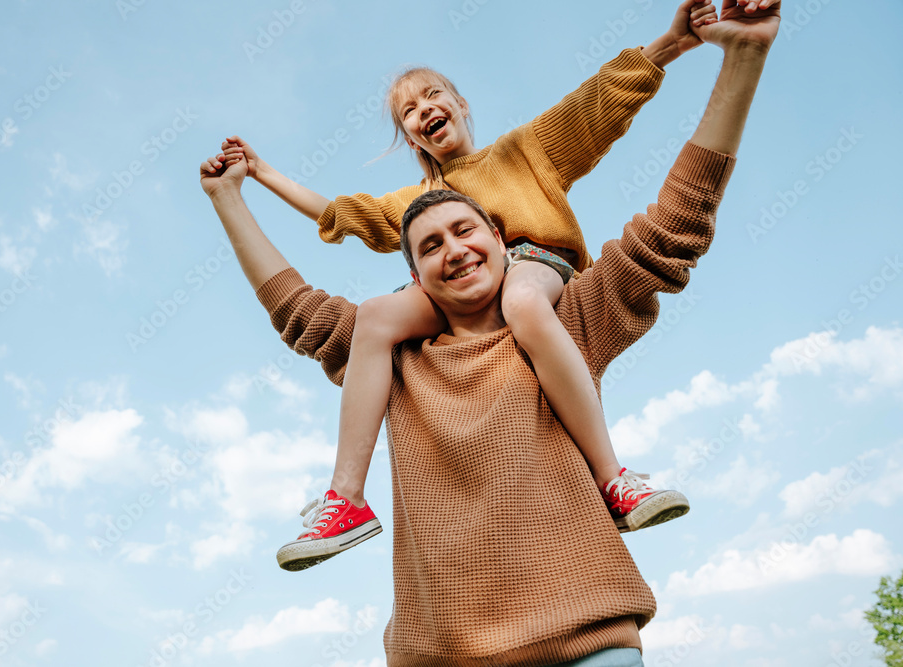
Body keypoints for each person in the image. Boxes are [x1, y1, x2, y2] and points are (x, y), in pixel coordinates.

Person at [200, 1, 780, 662]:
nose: (452, 246)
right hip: (444, 651)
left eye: (432, 95)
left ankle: (613, 476)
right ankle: (346, 497)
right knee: (375, 317)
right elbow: (334, 228)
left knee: (527, 307)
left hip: (588, 631)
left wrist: (689, 47)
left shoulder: (528, 177)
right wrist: (245, 186)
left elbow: (603, 113)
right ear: (416, 271)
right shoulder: (395, 349)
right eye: (429, 244)